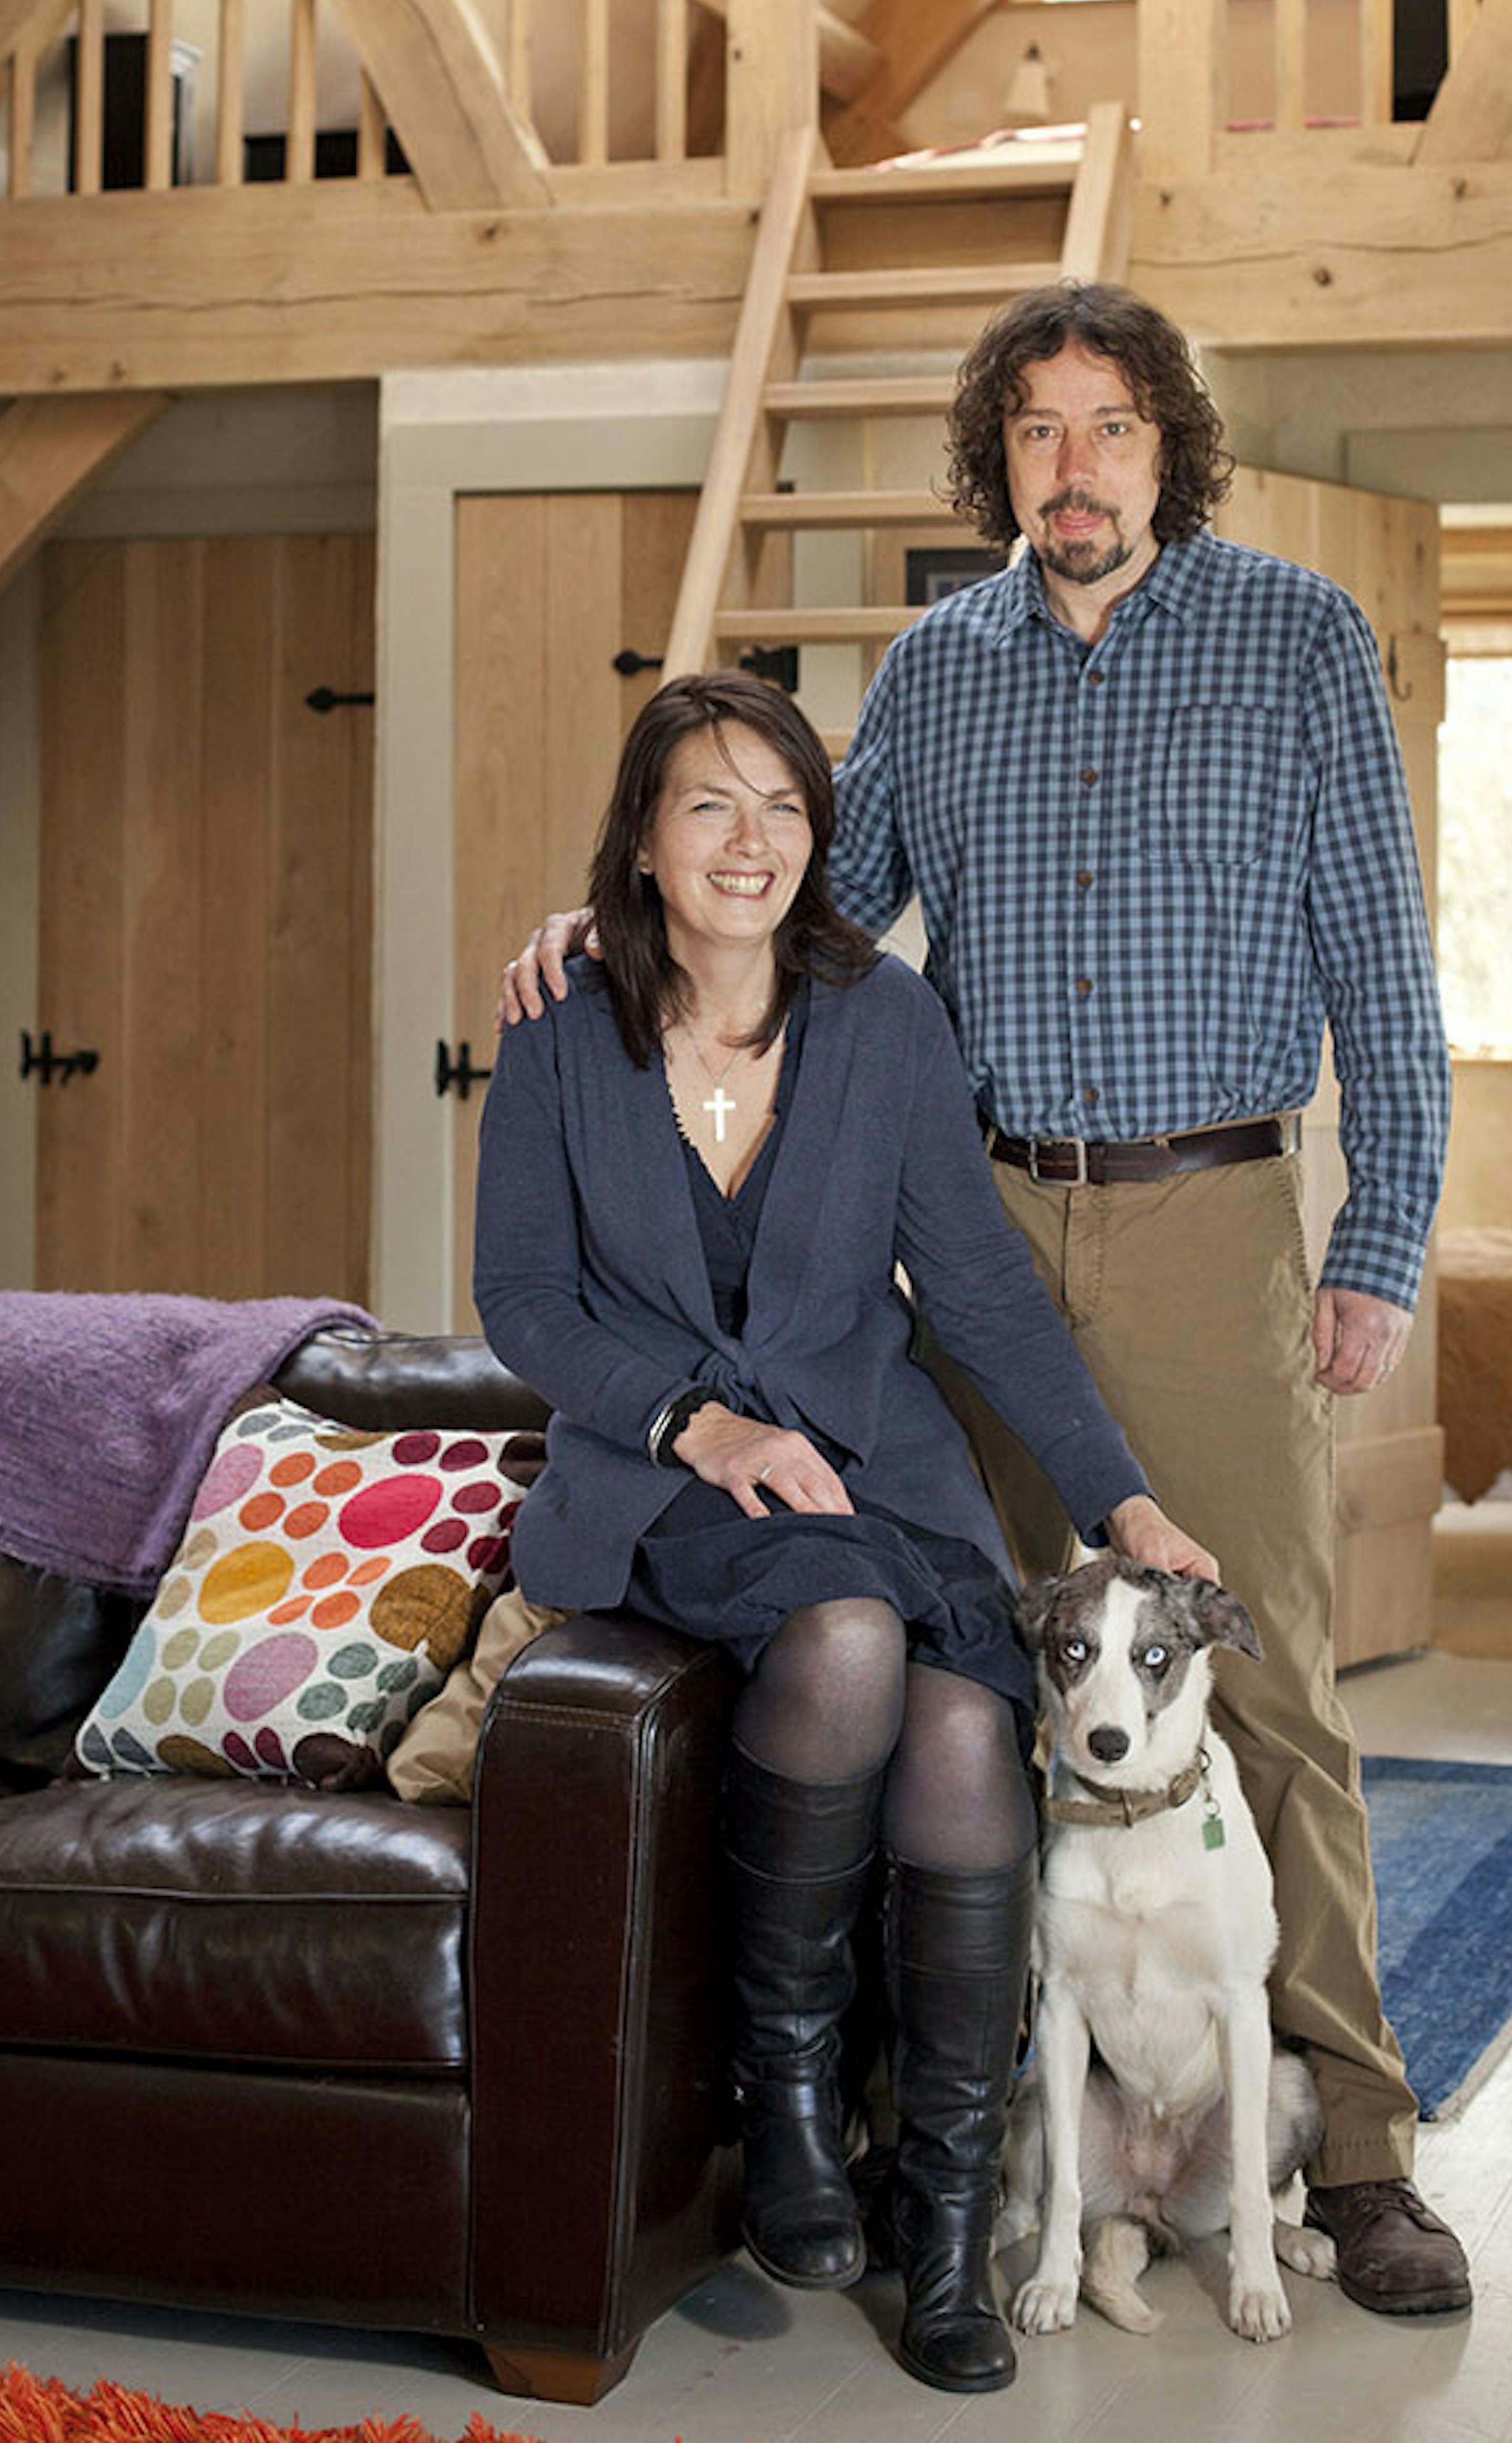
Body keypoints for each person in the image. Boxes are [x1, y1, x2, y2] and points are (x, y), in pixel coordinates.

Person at [498, 281, 1471, 2320]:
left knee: (1263, 1680)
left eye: (1110, 426)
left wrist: (1381, 1240)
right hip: (981, 1234)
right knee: (997, 1665)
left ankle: (1360, 2148)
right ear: (999, 461)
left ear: (1166, 445)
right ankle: (975, 2130)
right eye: (1036, 430)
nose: (1073, 466)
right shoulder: (937, 671)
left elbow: (1386, 966)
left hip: (1212, 1213)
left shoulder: (1299, 638)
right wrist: (607, 924)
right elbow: (799, 899)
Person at [475, 670, 1214, 2395]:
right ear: (642, 843)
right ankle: (789, 2097)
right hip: (670, 1481)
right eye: (709, 806)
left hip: (880, 1469)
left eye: (785, 808)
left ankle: (947, 2231)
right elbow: (522, 1300)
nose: (752, 843)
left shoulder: (883, 1020)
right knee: (853, 1639)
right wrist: (698, 1421)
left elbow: (981, 1293)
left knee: (962, 1726)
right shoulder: (560, 1024)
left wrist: (1120, 1498)